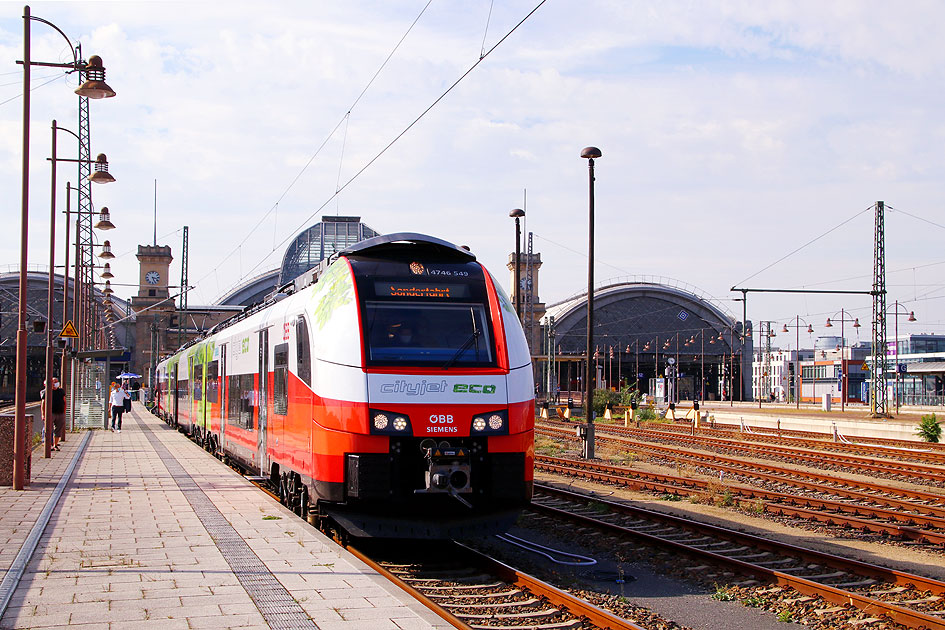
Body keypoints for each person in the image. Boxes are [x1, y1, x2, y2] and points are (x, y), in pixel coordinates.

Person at [40, 378, 66, 451]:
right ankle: (47, 444)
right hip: (50, 413)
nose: (56, 383)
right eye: (54, 382)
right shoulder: (46, 391)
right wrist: (43, 414)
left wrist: (64, 411)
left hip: (60, 413)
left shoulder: (61, 391)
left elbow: (64, 401)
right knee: (48, 428)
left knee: (58, 429)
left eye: (57, 382)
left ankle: (55, 445)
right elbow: (43, 403)